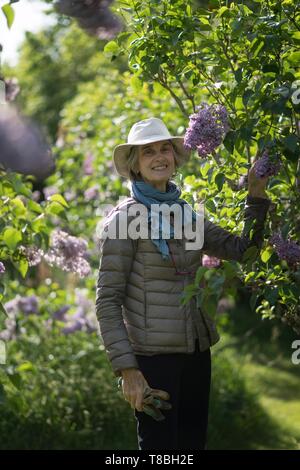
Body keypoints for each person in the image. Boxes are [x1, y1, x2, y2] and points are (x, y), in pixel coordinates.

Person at [95, 117, 271, 450]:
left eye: (165, 149)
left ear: (175, 158)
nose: (159, 157)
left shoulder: (186, 215)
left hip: (196, 354)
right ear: (135, 164)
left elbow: (242, 251)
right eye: (148, 152)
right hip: (153, 361)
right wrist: (128, 371)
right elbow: (107, 300)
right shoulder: (124, 219)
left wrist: (256, 197)